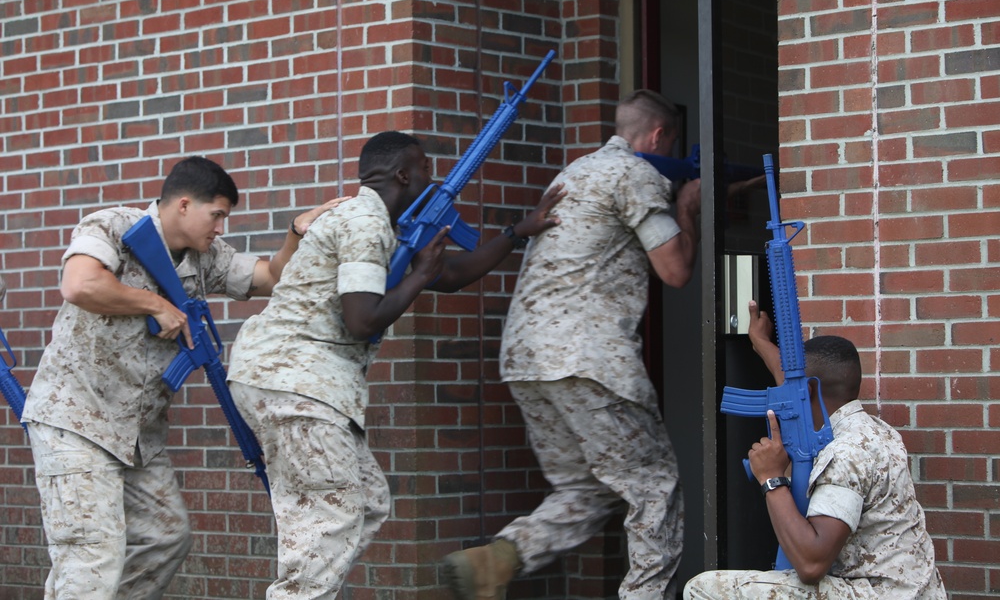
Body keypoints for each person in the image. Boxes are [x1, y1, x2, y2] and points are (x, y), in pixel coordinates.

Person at [225, 130, 566, 599]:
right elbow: (363, 319)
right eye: (426, 167)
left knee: (365, 502)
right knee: (332, 513)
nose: (433, 176)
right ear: (404, 174)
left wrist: (515, 233)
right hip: (292, 380)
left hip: (294, 380)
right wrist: (420, 275)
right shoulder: (365, 222)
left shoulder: (383, 225)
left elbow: (450, 275)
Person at [21, 156, 344, 600]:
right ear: (185, 205)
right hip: (76, 422)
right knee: (91, 556)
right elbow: (79, 285)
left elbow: (271, 277)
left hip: (138, 435)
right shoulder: (114, 227)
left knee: (164, 538)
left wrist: (295, 233)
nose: (221, 227)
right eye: (217, 215)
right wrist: (154, 304)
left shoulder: (204, 258)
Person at [441, 89, 703, 600]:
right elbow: (675, 271)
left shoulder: (576, 171)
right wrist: (688, 208)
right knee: (654, 485)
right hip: (587, 357)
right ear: (658, 136)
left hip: (526, 360)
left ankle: (500, 557)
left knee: (589, 487)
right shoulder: (635, 175)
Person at [683, 301, 946, 599]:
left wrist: (771, 479)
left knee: (703, 589)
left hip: (874, 592)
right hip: (909, 590)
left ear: (807, 390)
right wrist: (760, 343)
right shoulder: (871, 429)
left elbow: (811, 563)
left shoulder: (847, 452)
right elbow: (797, 384)